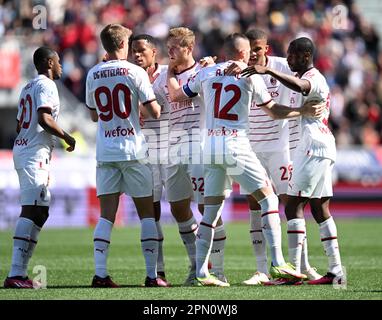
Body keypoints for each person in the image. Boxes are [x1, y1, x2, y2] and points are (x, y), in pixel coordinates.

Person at [168, 33, 322, 286]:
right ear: (242, 54)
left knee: (211, 211)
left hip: (211, 146)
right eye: (248, 51)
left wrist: (172, 73)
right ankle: (278, 263)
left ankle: (201, 273)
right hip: (235, 143)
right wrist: (302, 110)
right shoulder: (250, 76)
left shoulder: (206, 73)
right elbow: (273, 111)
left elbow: (178, 95)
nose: (251, 55)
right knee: (269, 199)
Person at [242, 37, 344, 285]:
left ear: (306, 56)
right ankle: (335, 271)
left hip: (312, 147)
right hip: (321, 146)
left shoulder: (314, 77)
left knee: (292, 206)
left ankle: (294, 272)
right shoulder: (310, 74)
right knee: (320, 209)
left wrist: (268, 70)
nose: (288, 60)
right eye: (287, 55)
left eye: (292, 55)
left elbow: (301, 86)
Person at [227, 29, 321, 285]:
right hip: (249, 148)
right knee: (255, 207)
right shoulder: (237, 70)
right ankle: (261, 270)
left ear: (266, 49)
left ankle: (301, 265)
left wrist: (316, 104)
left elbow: (308, 83)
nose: (253, 54)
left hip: (280, 149)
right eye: (250, 49)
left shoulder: (281, 67)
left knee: (291, 205)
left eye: (258, 49)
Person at [85, 24, 167, 288]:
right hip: (133, 150)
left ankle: (100, 274)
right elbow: (154, 112)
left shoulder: (93, 73)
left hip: (105, 150)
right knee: (146, 215)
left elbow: (93, 115)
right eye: (129, 42)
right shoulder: (135, 72)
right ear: (122, 43)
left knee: (106, 215)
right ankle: (152, 276)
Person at [4, 46, 76, 289]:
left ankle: (20, 274)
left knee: (40, 210)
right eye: (58, 61)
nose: (61, 65)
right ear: (48, 63)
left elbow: (18, 126)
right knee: (33, 209)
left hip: (25, 148)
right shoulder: (47, 85)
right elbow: (45, 119)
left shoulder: (27, 86)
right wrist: (68, 137)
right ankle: (15, 273)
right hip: (33, 154)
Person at [163, 27, 228, 285]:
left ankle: (219, 269)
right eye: (168, 47)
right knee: (178, 208)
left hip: (198, 145)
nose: (170, 51)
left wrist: (214, 63)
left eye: (175, 47)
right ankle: (196, 264)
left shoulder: (204, 72)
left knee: (206, 207)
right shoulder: (162, 76)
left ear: (188, 48)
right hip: (173, 146)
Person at [131, 34, 169, 285]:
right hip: (146, 150)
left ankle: (202, 265)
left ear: (153, 52)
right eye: (133, 50)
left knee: (186, 208)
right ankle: (159, 270)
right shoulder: (128, 76)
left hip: (175, 146)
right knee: (152, 211)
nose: (136, 55)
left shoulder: (169, 72)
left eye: (141, 50)